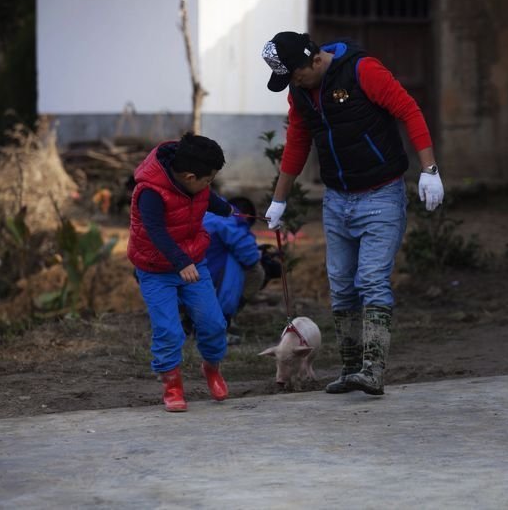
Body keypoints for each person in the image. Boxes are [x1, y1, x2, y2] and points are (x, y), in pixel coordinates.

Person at [260, 31, 445, 395]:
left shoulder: (362, 70)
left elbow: (409, 110)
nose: (293, 84)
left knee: (372, 281)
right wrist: (279, 200)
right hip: (337, 199)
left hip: (381, 194)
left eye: (295, 75)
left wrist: (430, 170)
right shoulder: (300, 92)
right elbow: (298, 141)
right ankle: (350, 369)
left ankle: (373, 370)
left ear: (315, 60)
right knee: (342, 286)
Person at [127, 132, 233, 412]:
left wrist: (229, 210)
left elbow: (207, 199)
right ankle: (172, 384)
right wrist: (180, 262)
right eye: (207, 180)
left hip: (193, 262)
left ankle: (211, 367)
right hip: (155, 268)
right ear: (189, 177)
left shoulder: (196, 185)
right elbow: (156, 232)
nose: (209, 185)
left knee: (213, 323)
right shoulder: (150, 193)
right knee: (169, 330)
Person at [203, 196, 273, 344]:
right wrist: (260, 255)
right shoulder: (231, 217)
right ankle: (222, 322)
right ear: (246, 215)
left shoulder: (206, 209)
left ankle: (191, 322)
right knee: (255, 271)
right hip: (209, 281)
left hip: (176, 274)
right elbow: (249, 256)